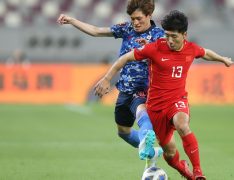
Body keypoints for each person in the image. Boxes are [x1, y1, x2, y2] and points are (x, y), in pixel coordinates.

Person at [94, 10, 234, 180]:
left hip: (177, 101)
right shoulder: (155, 48)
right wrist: (108, 78)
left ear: (184, 35)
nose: (169, 40)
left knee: (182, 125)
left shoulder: (191, 49)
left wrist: (222, 59)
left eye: (174, 36)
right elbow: (124, 59)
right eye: (167, 35)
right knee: (170, 154)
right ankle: (186, 171)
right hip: (156, 108)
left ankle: (198, 171)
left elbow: (206, 53)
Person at [57, 0, 165, 167]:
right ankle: (150, 150)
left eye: (139, 18)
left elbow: (171, 55)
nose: (135, 22)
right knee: (123, 132)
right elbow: (96, 31)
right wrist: (72, 21)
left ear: (149, 16)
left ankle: (147, 136)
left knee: (141, 112)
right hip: (124, 90)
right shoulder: (126, 29)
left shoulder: (159, 36)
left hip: (145, 88)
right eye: (132, 19)